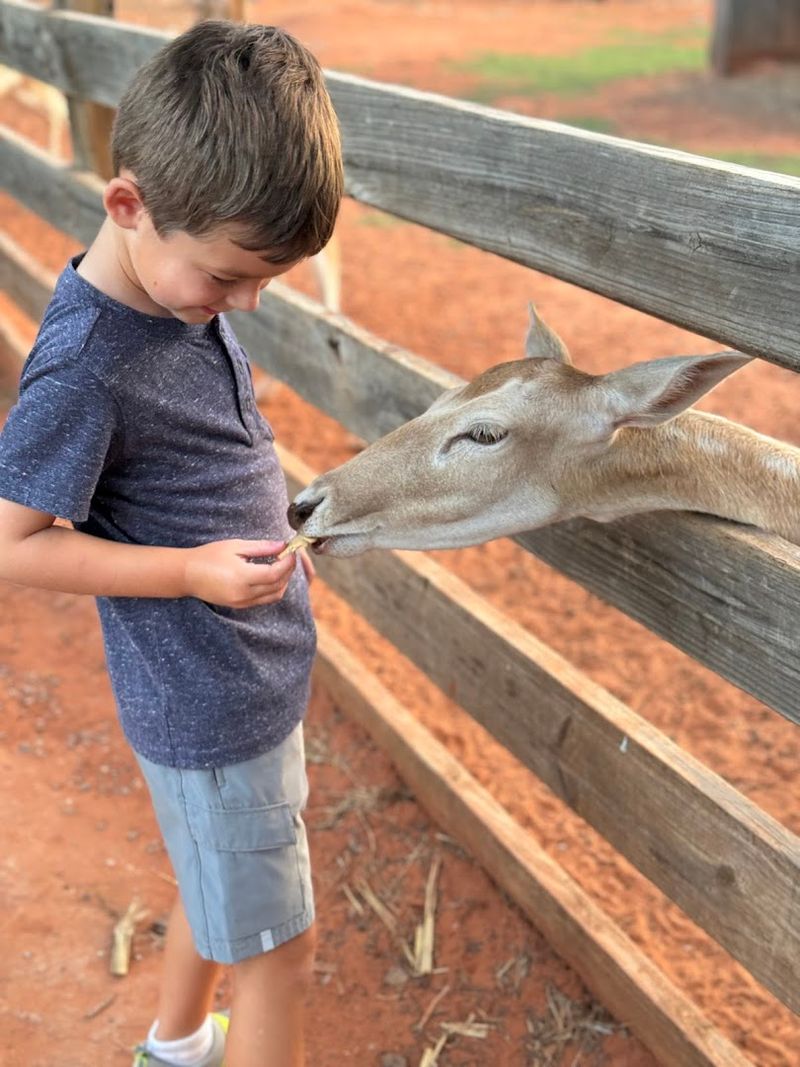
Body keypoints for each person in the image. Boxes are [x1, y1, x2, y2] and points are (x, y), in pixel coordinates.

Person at [0, 19, 343, 1067]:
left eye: (265, 282)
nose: (243, 305)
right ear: (127, 205)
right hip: (205, 702)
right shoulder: (86, 366)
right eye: (229, 278)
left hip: (242, 685)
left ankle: (178, 1040)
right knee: (280, 949)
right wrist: (189, 570)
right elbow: (13, 543)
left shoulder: (170, 291)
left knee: (224, 881)